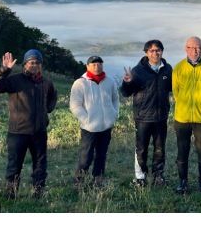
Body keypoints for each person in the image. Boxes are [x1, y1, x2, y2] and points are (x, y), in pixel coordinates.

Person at [0, 49, 57, 199]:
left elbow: (52, 97)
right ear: (25, 64)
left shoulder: (46, 82)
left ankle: (38, 193)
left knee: (40, 165)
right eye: (31, 62)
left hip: (39, 132)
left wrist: (47, 110)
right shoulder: (15, 80)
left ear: (41, 65)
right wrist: (4, 69)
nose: (34, 65)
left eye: (37, 63)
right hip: (18, 132)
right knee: (14, 166)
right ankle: (10, 195)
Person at [120, 39, 172, 187]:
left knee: (160, 148)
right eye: (152, 51)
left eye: (158, 50)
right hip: (143, 117)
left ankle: (158, 176)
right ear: (146, 53)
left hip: (161, 116)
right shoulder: (137, 71)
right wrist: (127, 82)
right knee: (141, 149)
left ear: (162, 51)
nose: (155, 53)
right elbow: (125, 93)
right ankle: (140, 177)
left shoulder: (167, 69)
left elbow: (174, 88)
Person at [172, 36, 201, 194]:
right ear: (186, 49)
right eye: (190, 47)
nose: (194, 50)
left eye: (197, 47)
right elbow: (176, 93)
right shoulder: (178, 68)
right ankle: (182, 182)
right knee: (182, 151)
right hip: (182, 118)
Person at [70, 55, 119, 187]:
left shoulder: (110, 81)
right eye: (93, 64)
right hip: (89, 128)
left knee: (101, 155)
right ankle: (79, 181)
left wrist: (114, 114)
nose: (97, 66)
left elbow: (115, 99)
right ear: (87, 66)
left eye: (99, 64)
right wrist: (86, 119)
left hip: (106, 126)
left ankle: (98, 179)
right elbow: (75, 105)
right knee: (86, 156)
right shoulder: (80, 83)